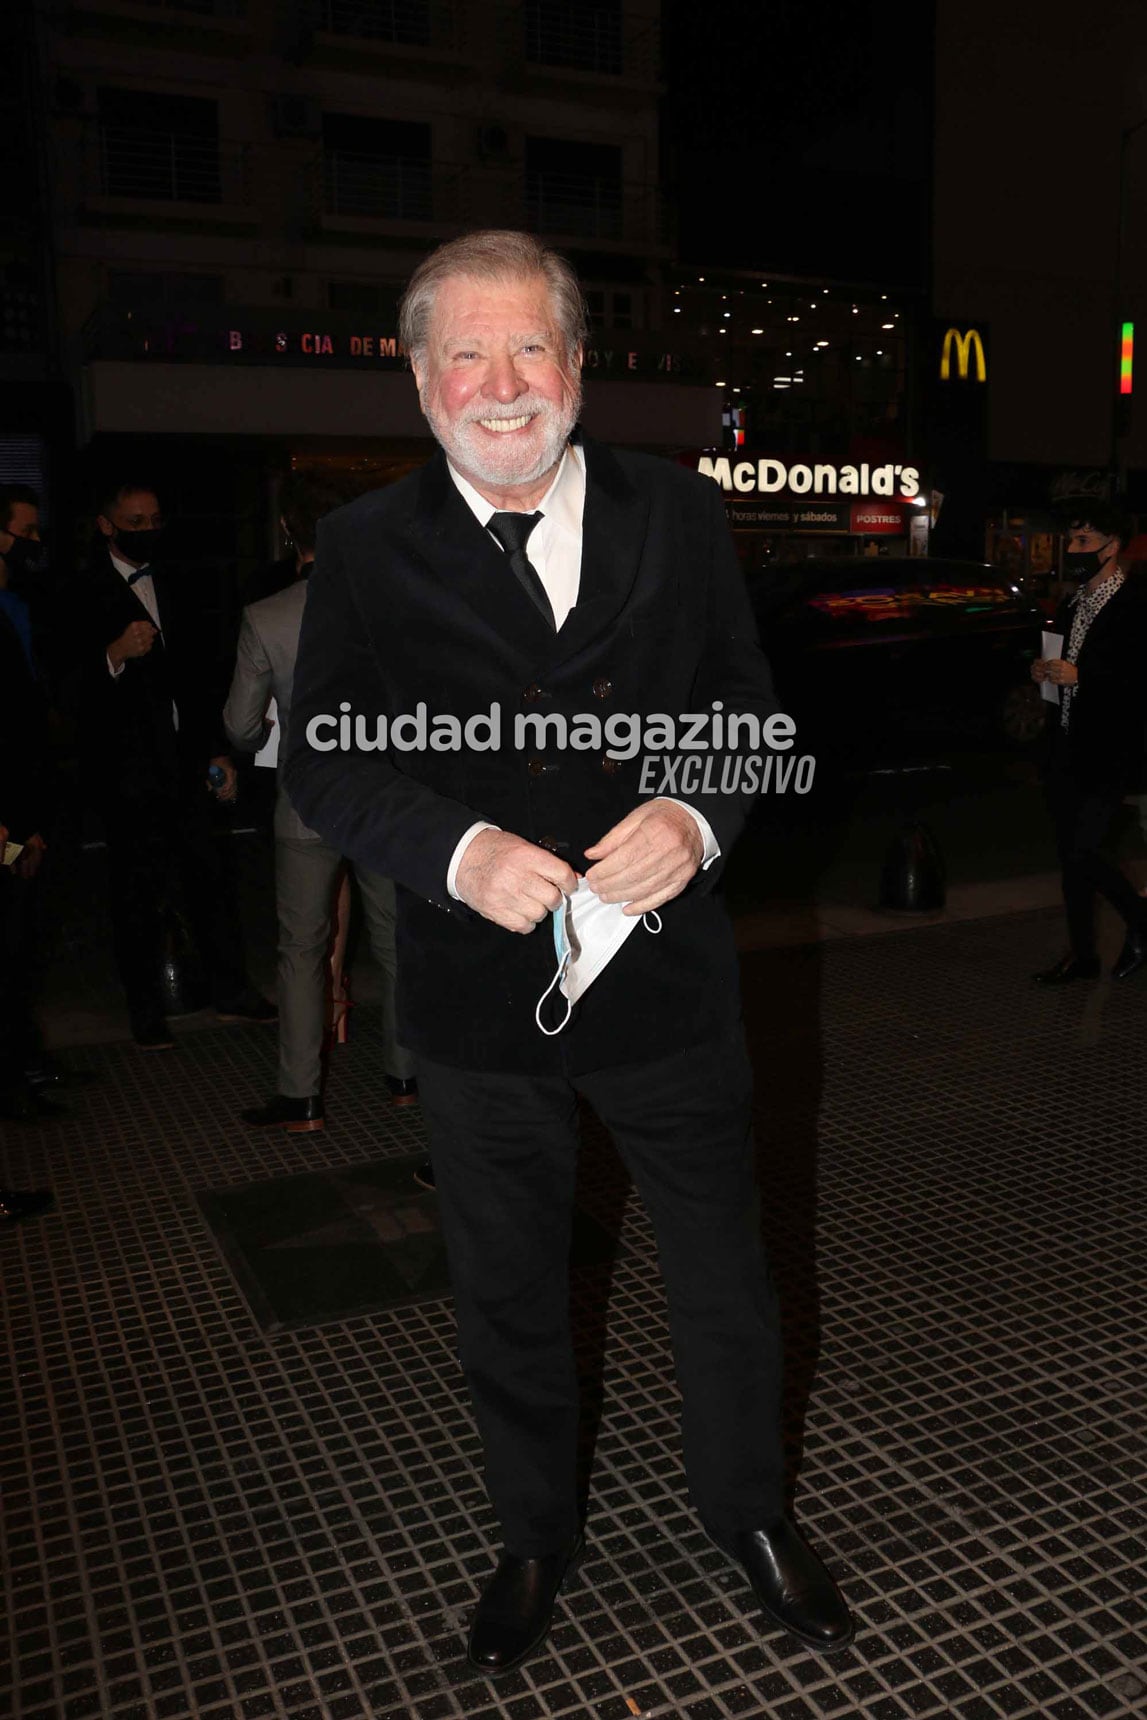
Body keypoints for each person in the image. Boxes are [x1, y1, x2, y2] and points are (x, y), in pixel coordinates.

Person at [284, 230, 853, 1671]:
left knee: (723, 1270)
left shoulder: (678, 512)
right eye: (462, 353)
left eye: (527, 345)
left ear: (578, 366)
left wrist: (695, 810)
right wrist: (456, 852)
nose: (498, 381)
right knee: (506, 1286)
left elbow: (741, 704)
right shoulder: (361, 546)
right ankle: (533, 1532)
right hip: (478, 994)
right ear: (418, 380)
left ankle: (749, 1512)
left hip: (661, 975)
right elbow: (328, 760)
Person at [223, 469, 417, 1131]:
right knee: (396, 943)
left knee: (301, 950)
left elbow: (239, 727)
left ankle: (301, 1096)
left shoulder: (266, 616)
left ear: (288, 532)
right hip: (386, 798)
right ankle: (404, 1075)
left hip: (307, 799)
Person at [78, 481, 276, 1048]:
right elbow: (66, 685)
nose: (148, 530)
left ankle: (230, 990)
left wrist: (217, 748)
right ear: (107, 525)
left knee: (211, 879)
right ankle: (146, 1009)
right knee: (137, 893)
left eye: (155, 519)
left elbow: (202, 675)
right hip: (128, 773)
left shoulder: (178, 579)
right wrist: (114, 655)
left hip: (186, 761)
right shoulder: (82, 589)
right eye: (134, 521)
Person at [1030, 503, 1147, 983]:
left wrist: (1084, 677)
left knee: (1085, 850)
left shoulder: (1136, 603)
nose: (1072, 550)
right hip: (1066, 744)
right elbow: (1064, 662)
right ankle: (1083, 955)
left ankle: (1140, 924)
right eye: (1071, 541)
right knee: (1069, 856)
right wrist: (1044, 673)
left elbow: (1137, 681)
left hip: (1111, 748)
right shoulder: (1075, 601)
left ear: (1112, 547)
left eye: (1083, 542)